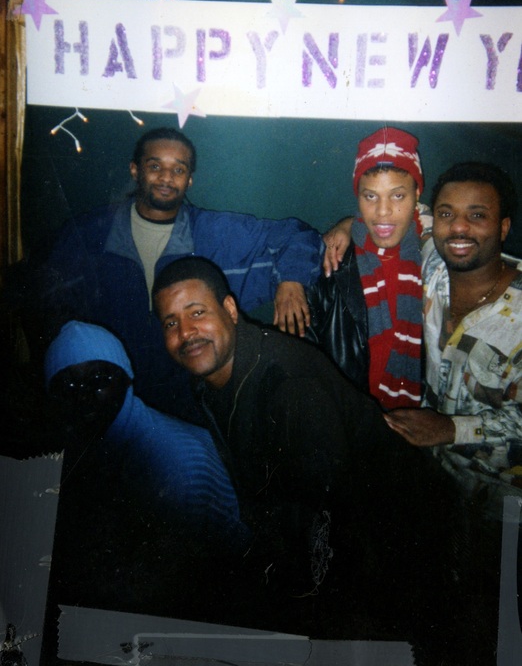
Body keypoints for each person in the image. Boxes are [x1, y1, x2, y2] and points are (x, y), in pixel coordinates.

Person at [151, 255, 475, 659]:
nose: (186, 333)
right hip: (358, 532)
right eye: (171, 323)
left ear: (230, 310)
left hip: (409, 538)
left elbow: (333, 521)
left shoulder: (288, 384)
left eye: (197, 313)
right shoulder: (211, 377)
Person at [23, 127, 323, 414]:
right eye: (155, 166)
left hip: (189, 404)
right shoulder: (89, 234)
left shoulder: (213, 232)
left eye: (178, 169)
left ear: (189, 180)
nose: (166, 177)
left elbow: (297, 235)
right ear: (134, 170)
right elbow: (39, 298)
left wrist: (292, 281)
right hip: (106, 404)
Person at [40, 320, 250, 662]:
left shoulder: (174, 464)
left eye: (100, 380)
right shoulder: (92, 438)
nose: (84, 395)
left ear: (126, 378)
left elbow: (183, 586)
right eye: (70, 384)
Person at [383, 162, 522, 519]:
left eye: (477, 215)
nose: (459, 227)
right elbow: (398, 206)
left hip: (503, 500)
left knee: (502, 576)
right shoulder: (434, 265)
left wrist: (450, 428)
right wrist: (346, 227)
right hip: (434, 479)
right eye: (448, 213)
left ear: (503, 227)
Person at [306, 126, 426, 408]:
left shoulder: (437, 263)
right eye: (370, 196)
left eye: (397, 196)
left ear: (417, 194)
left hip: (417, 425)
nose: (383, 211)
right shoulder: (333, 260)